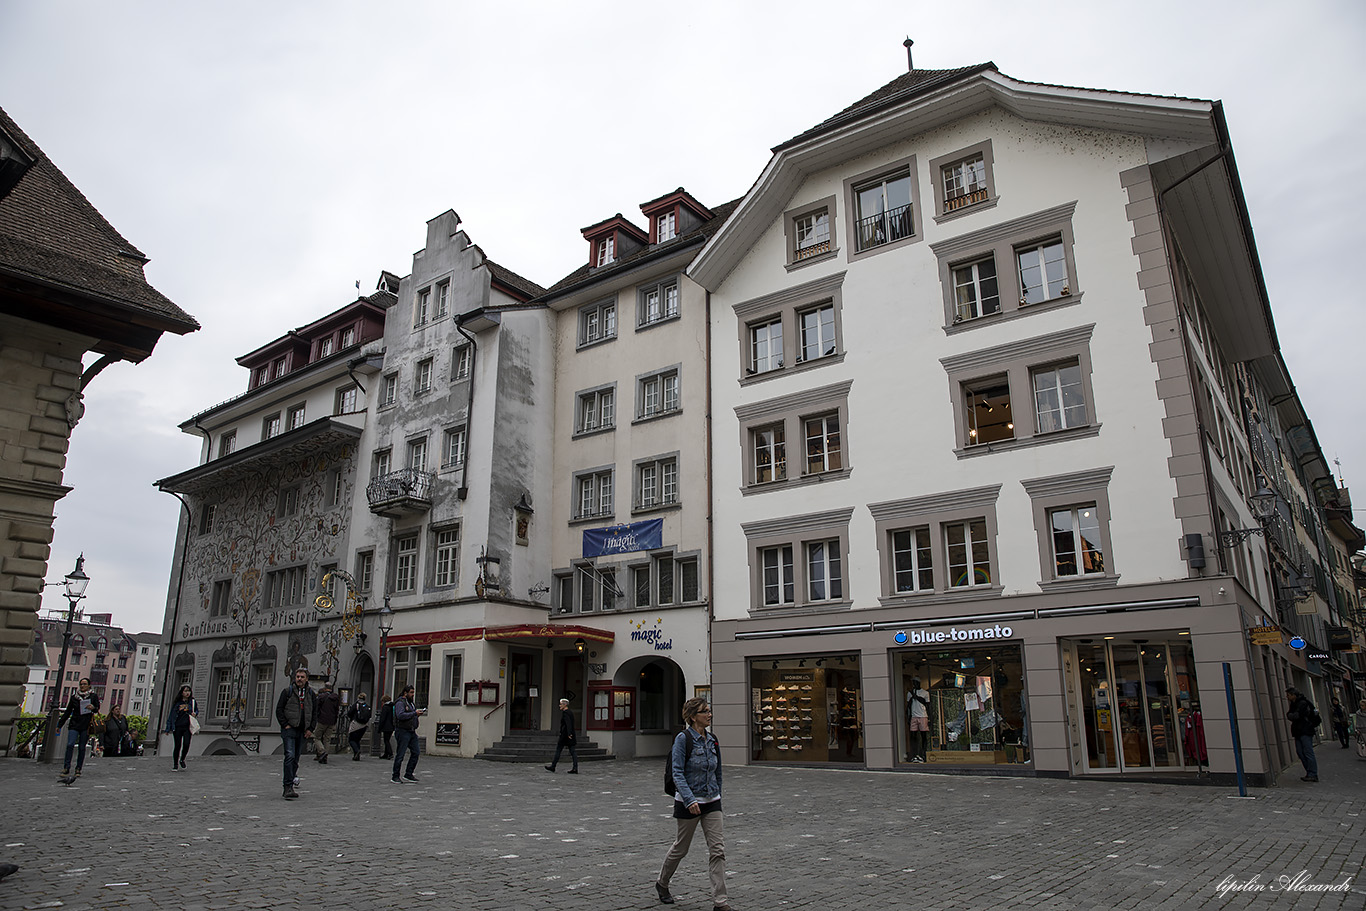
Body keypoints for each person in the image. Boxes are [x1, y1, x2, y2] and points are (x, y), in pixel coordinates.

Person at [656, 697, 731, 911]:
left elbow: (718, 772)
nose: (709, 714)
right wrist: (690, 800)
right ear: (692, 716)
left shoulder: (712, 739)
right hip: (688, 802)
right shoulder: (683, 739)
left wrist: (718, 795)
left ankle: (720, 901)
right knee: (681, 848)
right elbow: (677, 772)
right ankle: (662, 883)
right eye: (704, 711)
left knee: (718, 850)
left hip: (711, 801)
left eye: (709, 710)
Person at [275, 667, 315, 800]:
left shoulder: (310, 694)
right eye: (298, 676)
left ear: (306, 679)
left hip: (302, 730)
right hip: (290, 729)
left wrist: (311, 729)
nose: (299, 679)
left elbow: (315, 712)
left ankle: (290, 783)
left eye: (302, 677)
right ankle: (287, 786)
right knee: (290, 755)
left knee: (296, 758)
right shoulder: (288, 692)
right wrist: (285, 724)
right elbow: (279, 709)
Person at [57, 678, 100, 778]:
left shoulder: (93, 696)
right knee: (70, 744)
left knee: (82, 747)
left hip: (86, 725)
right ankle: (66, 767)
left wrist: (93, 707)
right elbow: (68, 711)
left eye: (84, 684)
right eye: (81, 684)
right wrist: (60, 724)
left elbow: (97, 708)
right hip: (74, 723)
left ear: (89, 686)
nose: (82, 686)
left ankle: (78, 768)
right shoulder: (74, 697)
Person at [391, 684, 423, 783]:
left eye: (413, 692)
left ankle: (408, 773)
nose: (413, 694)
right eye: (411, 692)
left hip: (411, 730)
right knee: (401, 754)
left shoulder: (411, 703)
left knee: (416, 752)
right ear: (405, 693)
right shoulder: (401, 702)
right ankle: (395, 775)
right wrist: (414, 714)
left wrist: (416, 715)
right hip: (402, 731)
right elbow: (400, 715)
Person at [1285, 687, 1319, 782]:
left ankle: (1313, 773)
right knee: (1300, 752)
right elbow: (1290, 714)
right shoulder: (1293, 704)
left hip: (1305, 730)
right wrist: (1291, 715)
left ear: (1293, 695)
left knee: (1308, 752)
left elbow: (1295, 715)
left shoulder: (1303, 703)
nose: (1287, 697)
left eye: (1288, 695)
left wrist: (1292, 715)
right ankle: (1309, 772)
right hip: (1298, 731)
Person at [164, 685, 198, 771]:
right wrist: (168, 728)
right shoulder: (177, 703)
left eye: (189, 691)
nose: (187, 693)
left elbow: (196, 710)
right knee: (177, 745)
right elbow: (171, 715)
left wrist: (195, 713)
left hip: (187, 727)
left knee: (186, 744)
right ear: (182, 692)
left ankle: (182, 759)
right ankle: (175, 764)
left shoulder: (192, 702)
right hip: (178, 726)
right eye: (185, 691)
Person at [544, 697, 578, 774]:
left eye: (560, 704)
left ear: (564, 705)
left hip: (565, 735)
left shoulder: (565, 713)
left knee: (559, 750)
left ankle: (553, 766)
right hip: (570, 734)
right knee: (572, 751)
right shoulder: (570, 712)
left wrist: (569, 734)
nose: (559, 706)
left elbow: (568, 724)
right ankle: (575, 767)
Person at [313, 682, 342, 763]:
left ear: (325, 688)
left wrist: (317, 717)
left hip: (322, 720)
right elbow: (337, 710)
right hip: (331, 721)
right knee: (327, 739)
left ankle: (322, 752)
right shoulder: (335, 698)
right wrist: (335, 720)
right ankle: (325, 754)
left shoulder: (322, 697)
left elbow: (317, 709)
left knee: (317, 737)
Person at [906, 677, 929, 763]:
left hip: (923, 715)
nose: (914, 684)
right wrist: (908, 716)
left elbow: (927, 704)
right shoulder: (910, 693)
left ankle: (923, 753)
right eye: (913, 682)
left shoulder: (925, 693)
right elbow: (908, 706)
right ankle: (914, 754)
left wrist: (916, 696)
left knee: (923, 735)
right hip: (914, 716)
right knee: (913, 736)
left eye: (915, 682)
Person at [346, 692, 372, 761]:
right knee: (357, 740)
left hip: (356, 724)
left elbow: (349, 713)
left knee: (351, 740)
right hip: (364, 725)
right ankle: (356, 756)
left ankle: (357, 751)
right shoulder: (366, 705)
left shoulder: (356, 705)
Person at [376, 695, 395, 759]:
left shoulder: (385, 707)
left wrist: (380, 728)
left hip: (386, 726)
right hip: (392, 726)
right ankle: (386, 754)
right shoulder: (392, 706)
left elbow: (382, 718)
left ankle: (390, 753)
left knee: (386, 740)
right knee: (387, 739)